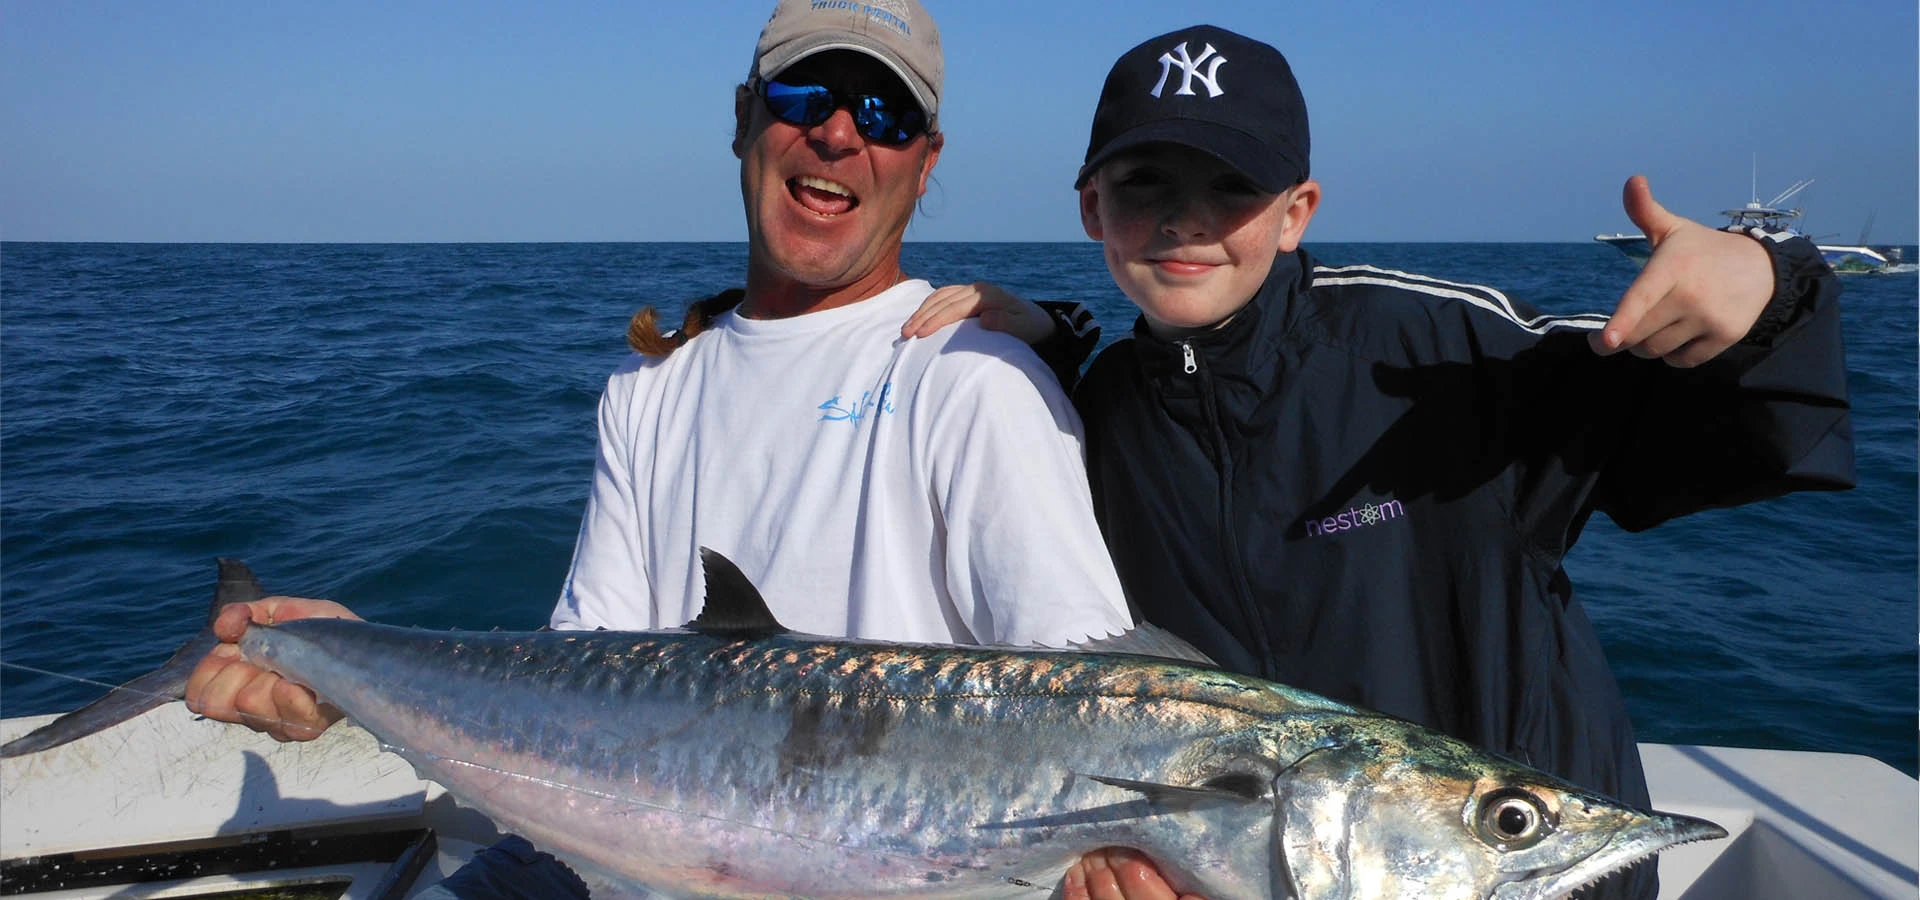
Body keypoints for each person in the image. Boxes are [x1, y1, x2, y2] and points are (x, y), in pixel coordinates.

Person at [186, 1, 1140, 896]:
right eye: (805, 96)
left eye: (883, 114)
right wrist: (346, 674)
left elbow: (1097, 717)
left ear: (924, 163)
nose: (839, 135)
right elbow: (580, 677)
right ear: (744, 118)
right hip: (621, 868)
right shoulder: (648, 392)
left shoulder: (974, 379)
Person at [909, 24, 1852, 900]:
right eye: (1146, 183)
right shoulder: (1093, 408)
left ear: (1295, 212)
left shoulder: (1434, 353)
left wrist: (1767, 292)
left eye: (1231, 187)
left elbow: (1736, 434)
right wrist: (1049, 339)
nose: (1186, 223)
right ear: (1091, 209)